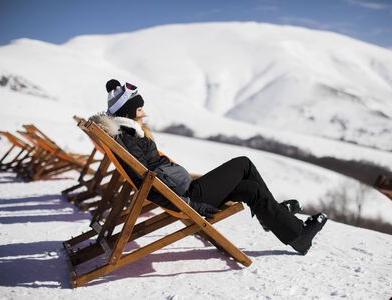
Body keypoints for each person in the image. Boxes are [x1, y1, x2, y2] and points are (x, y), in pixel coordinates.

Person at [91, 79, 327, 255]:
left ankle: (292, 232)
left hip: (186, 188)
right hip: (188, 196)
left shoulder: (129, 134)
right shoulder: (129, 138)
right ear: (128, 112)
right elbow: (149, 185)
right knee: (243, 163)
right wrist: (192, 205)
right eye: (139, 109)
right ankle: (286, 225)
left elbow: (151, 174)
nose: (144, 113)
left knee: (250, 190)